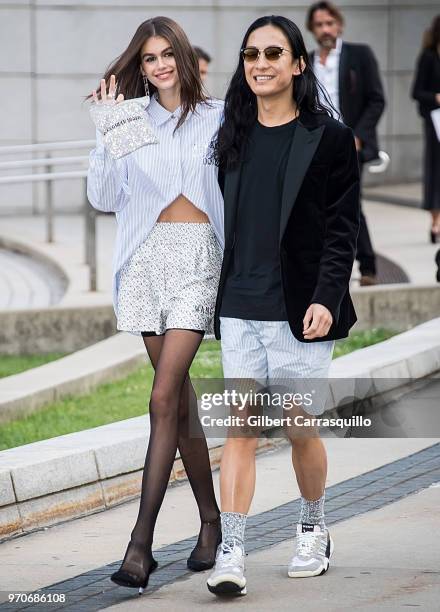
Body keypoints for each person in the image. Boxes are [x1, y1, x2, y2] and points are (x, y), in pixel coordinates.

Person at [206, 14, 360, 597]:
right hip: (240, 307)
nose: (260, 64)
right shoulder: (231, 135)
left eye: (273, 54)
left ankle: (314, 526)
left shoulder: (330, 138)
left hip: (300, 312)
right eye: (251, 55)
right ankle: (233, 551)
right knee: (240, 430)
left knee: (299, 427)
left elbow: (341, 229)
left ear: (299, 64)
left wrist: (326, 297)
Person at [87, 16, 224, 593]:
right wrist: (106, 130)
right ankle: (211, 522)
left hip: (199, 257)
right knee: (181, 405)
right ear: (138, 67)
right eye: (149, 58)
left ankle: (140, 544)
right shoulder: (132, 119)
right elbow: (103, 197)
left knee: (163, 395)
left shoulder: (218, 116)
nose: (160, 65)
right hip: (143, 260)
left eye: (169, 54)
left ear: (185, 58)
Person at [307, 1, 385, 286]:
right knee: (319, 206)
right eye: (319, 25)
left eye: (329, 23)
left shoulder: (359, 55)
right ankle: (327, 267)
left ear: (339, 24)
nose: (325, 29)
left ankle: (368, 267)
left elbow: (376, 99)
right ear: (312, 29)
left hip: (351, 144)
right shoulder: (308, 61)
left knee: (351, 203)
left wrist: (358, 136)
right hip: (317, 144)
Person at [411, 15, 440, 243]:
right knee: (435, 170)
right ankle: (435, 221)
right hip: (435, 122)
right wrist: (436, 97)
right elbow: (417, 92)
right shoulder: (429, 57)